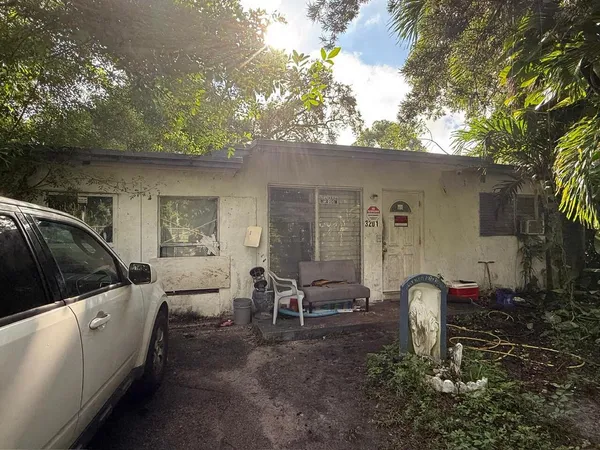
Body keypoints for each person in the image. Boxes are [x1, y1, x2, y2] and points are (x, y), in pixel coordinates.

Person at [408, 289, 439, 358]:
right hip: (418, 325)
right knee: (420, 338)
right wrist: (413, 325)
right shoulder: (413, 304)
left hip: (425, 323)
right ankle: (421, 352)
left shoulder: (421, 303)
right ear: (415, 295)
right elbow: (411, 316)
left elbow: (425, 312)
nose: (420, 295)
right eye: (418, 294)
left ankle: (427, 351)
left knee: (432, 327)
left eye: (420, 294)